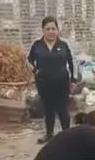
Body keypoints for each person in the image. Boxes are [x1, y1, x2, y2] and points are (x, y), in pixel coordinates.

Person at [27, 16, 76, 144]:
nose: (50, 31)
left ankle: (67, 135)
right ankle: (49, 134)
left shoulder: (63, 45)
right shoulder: (37, 45)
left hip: (61, 83)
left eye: (53, 28)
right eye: (47, 29)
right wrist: (35, 71)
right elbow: (29, 60)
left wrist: (73, 80)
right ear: (43, 30)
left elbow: (71, 63)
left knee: (62, 109)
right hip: (44, 83)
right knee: (48, 109)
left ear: (57, 30)